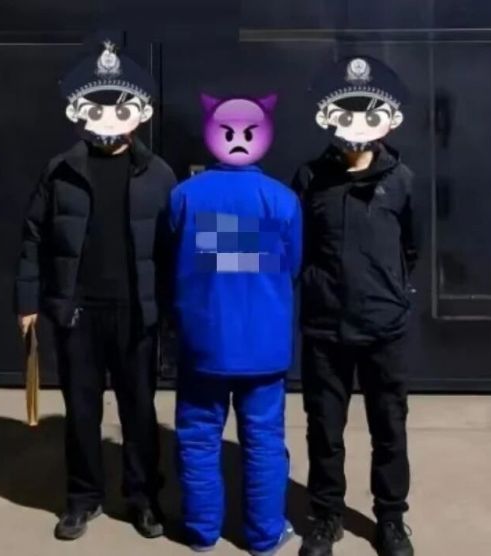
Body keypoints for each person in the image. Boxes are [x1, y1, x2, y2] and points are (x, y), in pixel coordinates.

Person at [13, 38, 176, 541]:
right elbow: (34, 237)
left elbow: (175, 248)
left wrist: (174, 311)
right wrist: (28, 300)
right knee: (81, 411)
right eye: (97, 105)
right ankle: (82, 499)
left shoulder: (159, 174)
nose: (107, 116)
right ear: (80, 110)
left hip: (136, 313)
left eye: (119, 105)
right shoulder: (60, 170)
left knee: (139, 410)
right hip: (77, 312)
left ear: (139, 113)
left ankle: (143, 498)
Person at [167, 93, 302, 555]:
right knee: (264, 441)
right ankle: (265, 536)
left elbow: (169, 259)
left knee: (198, 438)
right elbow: (293, 265)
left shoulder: (185, 196)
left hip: (203, 341)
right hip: (264, 345)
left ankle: (202, 533)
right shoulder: (282, 200)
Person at [293, 56, 417, 556]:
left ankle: (391, 519)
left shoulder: (401, 179)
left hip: (384, 328)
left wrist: (392, 291)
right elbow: (295, 246)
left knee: (389, 428)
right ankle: (326, 517)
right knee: (325, 429)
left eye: (368, 111)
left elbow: (412, 247)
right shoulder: (310, 177)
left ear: (387, 118)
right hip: (325, 328)